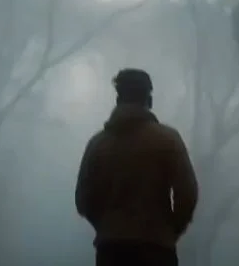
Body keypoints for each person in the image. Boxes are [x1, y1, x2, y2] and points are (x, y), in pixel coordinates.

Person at [75, 68, 198, 266]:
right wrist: (170, 230)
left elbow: (82, 201)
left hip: (111, 251)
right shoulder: (168, 139)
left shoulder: (97, 144)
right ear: (148, 100)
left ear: (118, 99)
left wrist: (107, 227)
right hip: (157, 250)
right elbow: (188, 193)